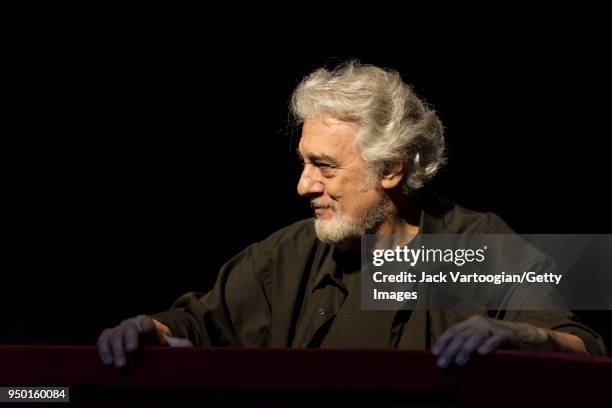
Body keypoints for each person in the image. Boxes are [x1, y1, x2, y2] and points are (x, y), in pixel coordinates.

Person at [97, 61, 605, 368]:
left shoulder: (474, 244)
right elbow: (196, 325)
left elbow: (582, 349)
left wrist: (524, 338)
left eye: (324, 166)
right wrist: (148, 329)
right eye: (303, 163)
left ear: (389, 168)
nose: (303, 185)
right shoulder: (289, 254)